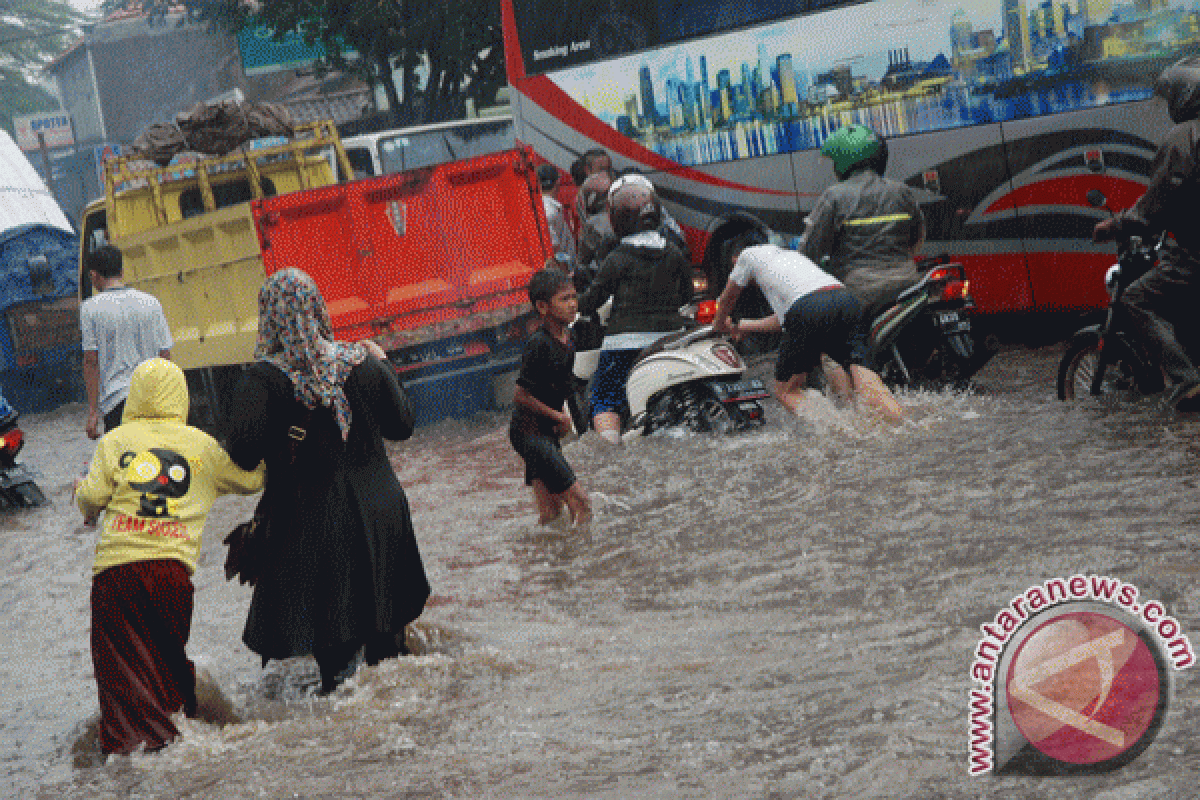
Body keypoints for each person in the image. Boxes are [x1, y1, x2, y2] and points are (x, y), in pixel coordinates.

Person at [223, 268, 430, 694]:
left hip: (314, 525)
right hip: (383, 514)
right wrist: (385, 365)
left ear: (269, 316)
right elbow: (404, 424)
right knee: (391, 649)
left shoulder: (262, 380)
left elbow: (242, 453)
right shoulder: (363, 362)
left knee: (338, 664)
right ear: (318, 308)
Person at [75, 357, 265, 755]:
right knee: (165, 659)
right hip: (172, 575)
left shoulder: (115, 442)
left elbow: (92, 498)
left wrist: (79, 491)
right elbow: (252, 480)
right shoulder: (203, 446)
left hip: (116, 575)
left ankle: (136, 752)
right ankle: (183, 731)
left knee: (121, 671)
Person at [1093, 56, 1200, 411]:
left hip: (1194, 255)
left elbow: (1155, 204)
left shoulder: (1183, 138)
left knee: (1135, 300)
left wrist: (1115, 225)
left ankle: (1187, 380)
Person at [712, 232, 906, 424]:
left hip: (809, 308)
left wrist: (719, 324)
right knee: (863, 374)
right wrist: (743, 326)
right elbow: (786, 319)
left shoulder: (747, 256)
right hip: (845, 300)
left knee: (785, 391)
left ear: (735, 258)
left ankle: (844, 429)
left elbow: (728, 297)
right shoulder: (791, 257)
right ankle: (899, 424)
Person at [578, 178, 693, 443]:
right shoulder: (674, 252)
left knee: (604, 398)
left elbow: (592, 300)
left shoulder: (616, 259)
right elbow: (686, 295)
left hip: (624, 343)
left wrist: (575, 302)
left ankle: (611, 449)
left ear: (617, 218)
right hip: (670, 340)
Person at [802, 124, 925, 322]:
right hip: (907, 284)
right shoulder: (901, 191)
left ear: (843, 162)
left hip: (861, 292)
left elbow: (810, 249)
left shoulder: (834, 196)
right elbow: (917, 237)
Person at [510, 267, 592, 529]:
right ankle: (584, 565)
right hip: (529, 433)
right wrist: (558, 416)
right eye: (564, 299)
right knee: (581, 503)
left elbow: (566, 384)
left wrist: (580, 426)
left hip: (545, 432)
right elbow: (520, 395)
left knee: (551, 512)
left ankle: (546, 563)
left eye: (573, 297)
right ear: (543, 307)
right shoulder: (538, 344)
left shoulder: (568, 337)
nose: (572, 305)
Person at [81, 245, 173, 439]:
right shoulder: (151, 302)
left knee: (126, 463)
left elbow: (91, 360)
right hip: (153, 398)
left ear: (94, 275)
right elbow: (165, 355)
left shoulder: (89, 309)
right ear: (122, 272)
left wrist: (93, 412)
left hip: (117, 402)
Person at [537, 164, 577, 267]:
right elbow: (552, 251)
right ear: (558, 182)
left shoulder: (543, 207)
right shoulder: (549, 210)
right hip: (560, 270)